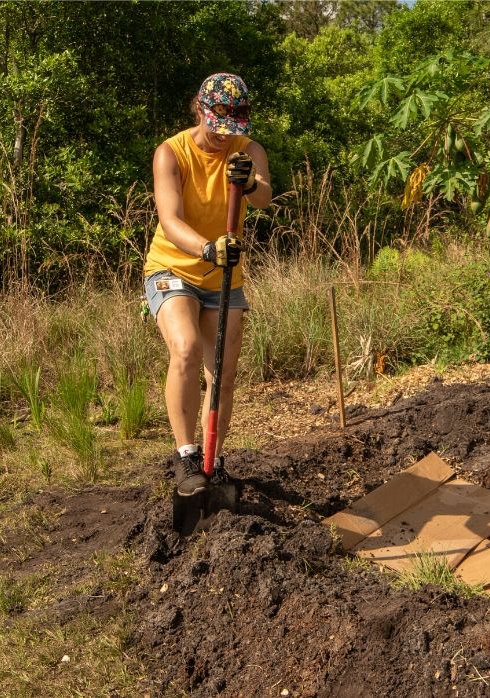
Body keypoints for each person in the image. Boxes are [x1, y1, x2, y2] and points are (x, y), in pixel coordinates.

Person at [143, 73, 271, 496]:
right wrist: (207, 248)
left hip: (224, 277)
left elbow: (264, 198)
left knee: (223, 373)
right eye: (218, 125)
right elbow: (170, 219)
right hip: (173, 267)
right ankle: (186, 458)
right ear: (200, 110)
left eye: (233, 128)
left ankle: (213, 462)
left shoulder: (248, 151)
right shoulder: (171, 153)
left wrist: (249, 182)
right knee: (186, 348)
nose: (224, 137)